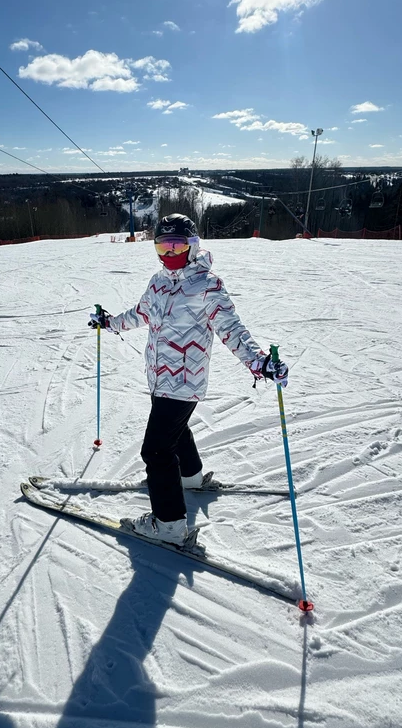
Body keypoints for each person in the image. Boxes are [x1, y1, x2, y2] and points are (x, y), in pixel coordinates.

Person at [89, 213, 289, 547]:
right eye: (163, 245)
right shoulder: (158, 282)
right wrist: (108, 323)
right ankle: (191, 478)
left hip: (184, 381)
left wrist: (259, 362)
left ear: (193, 245)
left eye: (177, 245)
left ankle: (168, 525)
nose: (169, 253)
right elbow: (139, 314)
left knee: (155, 450)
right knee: (175, 433)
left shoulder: (207, 285)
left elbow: (231, 328)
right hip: (158, 378)